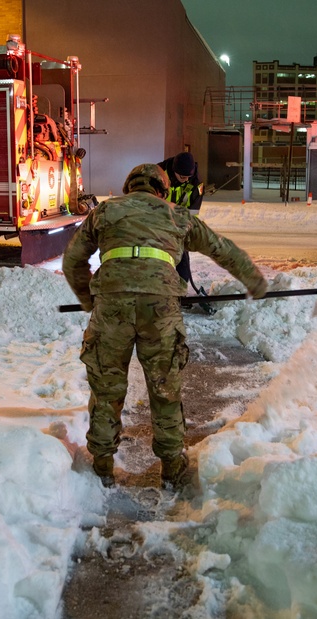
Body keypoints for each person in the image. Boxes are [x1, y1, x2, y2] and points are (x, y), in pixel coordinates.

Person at [62, 163, 267, 489]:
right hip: (160, 309)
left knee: (106, 390)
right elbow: (222, 249)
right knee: (165, 390)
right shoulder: (178, 215)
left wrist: (90, 300)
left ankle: (102, 464)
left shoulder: (105, 211)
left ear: (129, 186)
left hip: (111, 307)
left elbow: (73, 260)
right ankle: (172, 466)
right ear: (162, 190)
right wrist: (254, 281)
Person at [158, 152, 203, 285]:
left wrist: (185, 230)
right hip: (155, 224)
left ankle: (180, 292)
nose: (186, 180)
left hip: (178, 225)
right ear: (174, 171)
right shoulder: (157, 176)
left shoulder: (196, 184)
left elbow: (192, 213)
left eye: (189, 176)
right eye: (183, 176)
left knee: (182, 261)